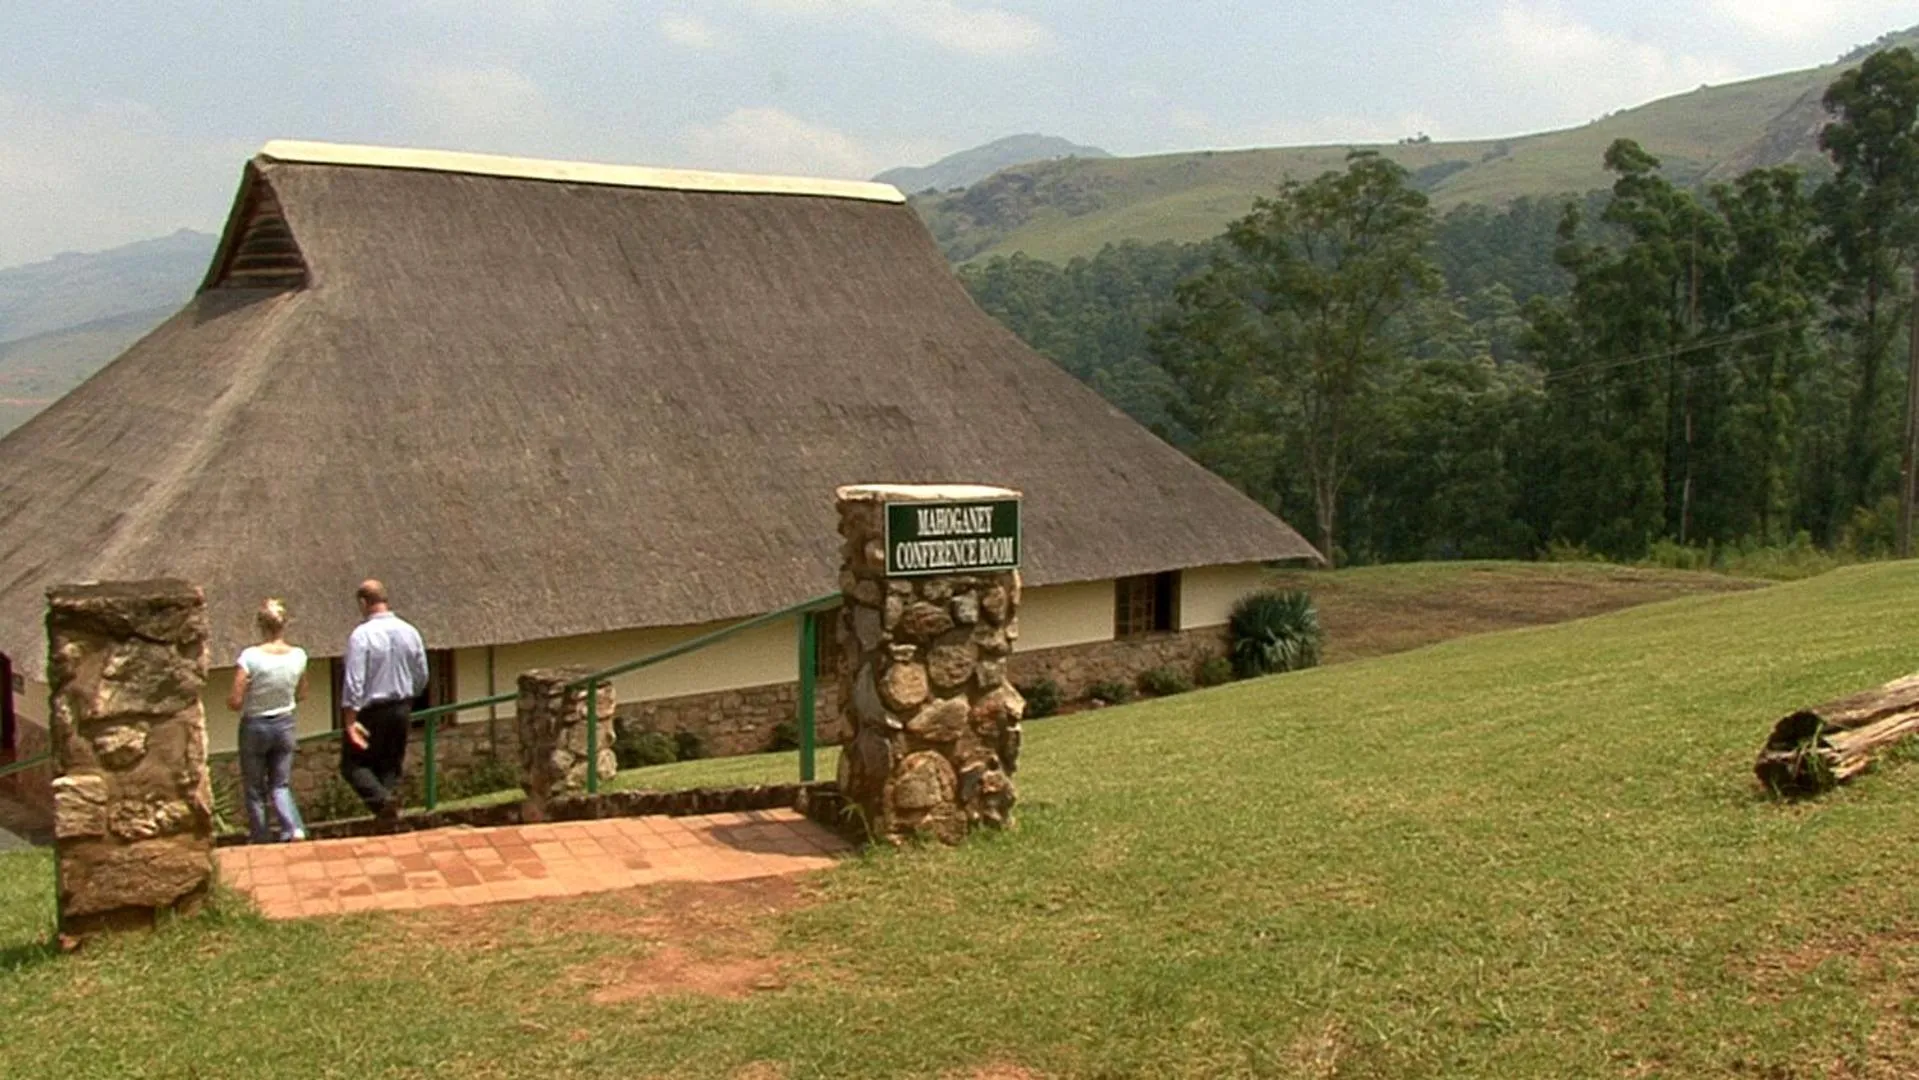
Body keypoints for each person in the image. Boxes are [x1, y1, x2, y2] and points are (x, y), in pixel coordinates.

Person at [338, 579, 429, 824]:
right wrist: (410, 698)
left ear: (363, 603)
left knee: (353, 765)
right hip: (401, 706)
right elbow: (422, 674)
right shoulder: (410, 632)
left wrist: (350, 719)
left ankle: (383, 802)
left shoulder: (362, 636)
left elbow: (354, 680)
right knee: (389, 766)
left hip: (372, 710)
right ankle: (389, 818)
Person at [228, 598, 309, 843]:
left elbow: (235, 700)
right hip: (284, 722)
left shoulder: (250, 657)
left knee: (254, 788)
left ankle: (261, 836)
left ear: (260, 625)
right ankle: (292, 828)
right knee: (280, 784)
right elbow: (302, 693)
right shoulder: (298, 656)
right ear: (285, 624)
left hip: (255, 724)